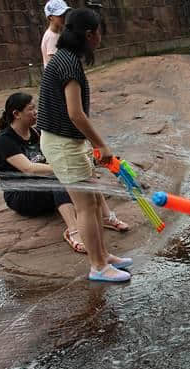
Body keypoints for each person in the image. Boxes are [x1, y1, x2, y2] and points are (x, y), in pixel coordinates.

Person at [37, 8, 131, 282]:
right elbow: (75, 113)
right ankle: (98, 266)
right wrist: (101, 144)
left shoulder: (66, 58)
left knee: (90, 201)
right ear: (89, 35)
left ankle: (103, 255)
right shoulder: (69, 64)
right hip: (63, 144)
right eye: (99, 31)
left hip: (66, 142)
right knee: (86, 207)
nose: (100, 36)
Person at [0, 92, 129, 254]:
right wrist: (65, 167)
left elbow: (59, 156)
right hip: (21, 195)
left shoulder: (36, 133)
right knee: (60, 177)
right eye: (31, 109)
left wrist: (91, 159)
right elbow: (28, 168)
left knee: (84, 170)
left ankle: (106, 216)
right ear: (16, 114)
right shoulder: (4, 140)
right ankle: (74, 230)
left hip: (43, 187)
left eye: (36, 107)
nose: (36, 112)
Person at [41, 0, 71, 68]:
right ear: (50, 17)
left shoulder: (55, 34)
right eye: (60, 15)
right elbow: (55, 63)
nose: (63, 18)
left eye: (65, 14)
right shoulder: (52, 37)